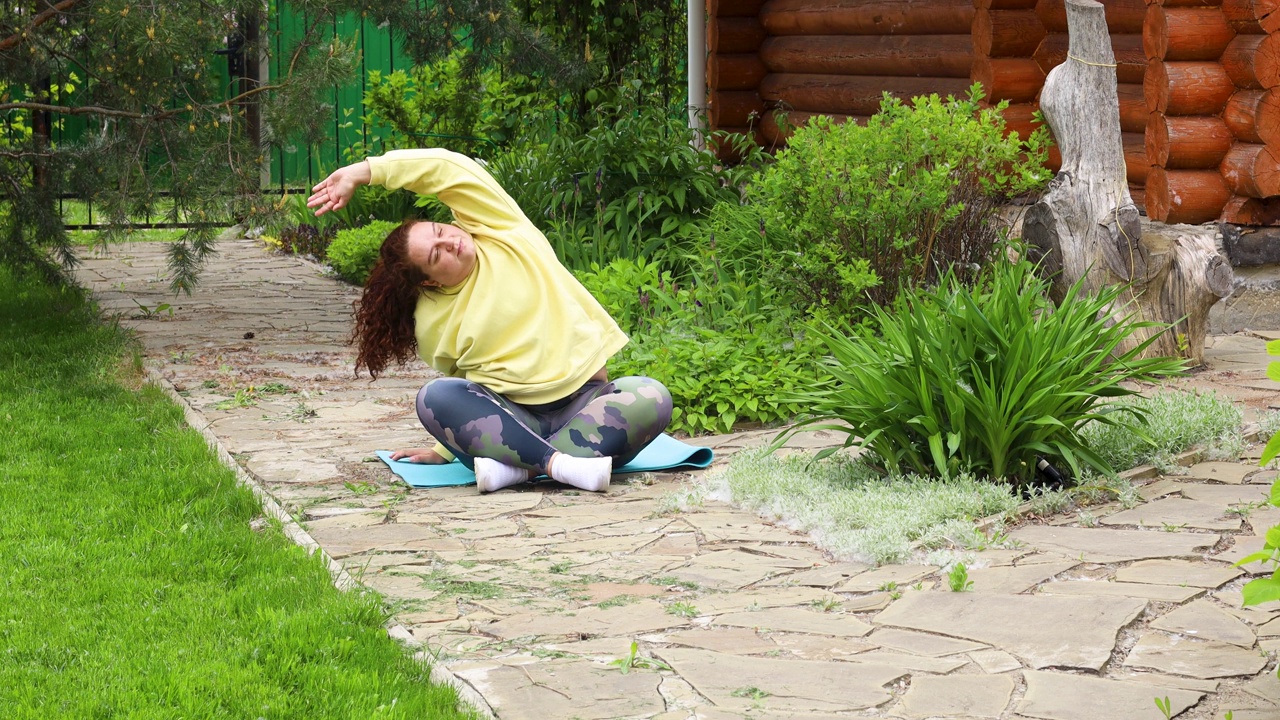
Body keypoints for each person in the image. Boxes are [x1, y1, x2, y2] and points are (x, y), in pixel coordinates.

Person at [307, 148, 673, 493]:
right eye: (436, 255)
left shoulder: (500, 229)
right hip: (512, 420)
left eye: (439, 230)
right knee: (434, 396)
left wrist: (364, 171)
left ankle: (523, 468)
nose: (450, 242)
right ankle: (560, 463)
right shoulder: (432, 322)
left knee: (650, 395)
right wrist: (446, 449)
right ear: (430, 281)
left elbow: (447, 170)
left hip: (584, 405)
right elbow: (467, 391)